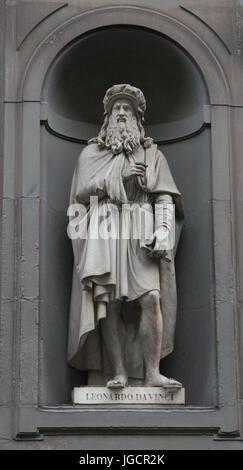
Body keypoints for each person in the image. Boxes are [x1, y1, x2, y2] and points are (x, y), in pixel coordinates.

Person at [67, 84, 184, 390]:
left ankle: (152, 373)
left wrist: (164, 230)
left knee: (151, 298)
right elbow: (80, 193)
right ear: (106, 119)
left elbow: (164, 198)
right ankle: (116, 371)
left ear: (137, 119)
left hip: (141, 228)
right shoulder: (91, 153)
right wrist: (116, 178)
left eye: (127, 109)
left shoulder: (152, 153)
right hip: (106, 226)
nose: (121, 113)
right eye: (116, 108)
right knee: (109, 302)